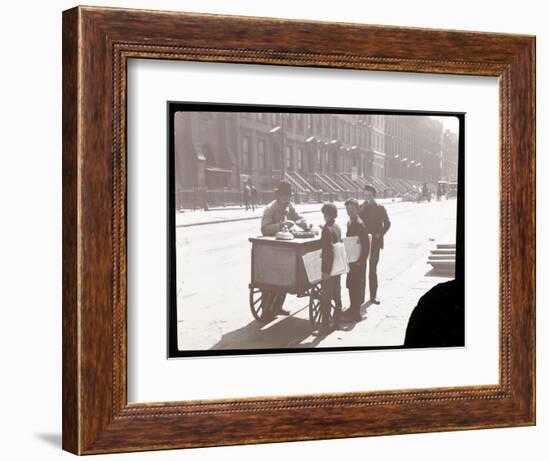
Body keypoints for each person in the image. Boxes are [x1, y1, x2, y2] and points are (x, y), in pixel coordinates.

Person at [359, 185, 391, 304]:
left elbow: (387, 223)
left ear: (374, 195)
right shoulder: (362, 207)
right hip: (363, 242)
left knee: (372, 269)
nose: (368, 198)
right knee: (361, 269)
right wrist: (360, 210)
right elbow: (356, 221)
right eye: (365, 196)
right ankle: (360, 297)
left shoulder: (380, 208)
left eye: (370, 196)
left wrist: (380, 234)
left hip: (375, 243)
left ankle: (373, 296)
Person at [317, 202, 343, 334]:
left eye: (324, 214)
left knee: (325, 298)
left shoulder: (326, 229)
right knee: (337, 294)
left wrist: (325, 272)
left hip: (329, 268)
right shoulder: (336, 227)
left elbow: (327, 253)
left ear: (326, 215)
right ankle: (337, 322)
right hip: (338, 267)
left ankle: (325, 326)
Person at [342, 198, 369, 322]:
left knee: (356, 286)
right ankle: (352, 308)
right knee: (351, 284)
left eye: (352, 209)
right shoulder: (350, 222)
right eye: (347, 209)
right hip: (352, 259)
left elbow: (366, 245)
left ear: (357, 210)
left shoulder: (359, 224)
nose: (349, 211)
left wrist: (360, 261)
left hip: (358, 261)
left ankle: (356, 313)